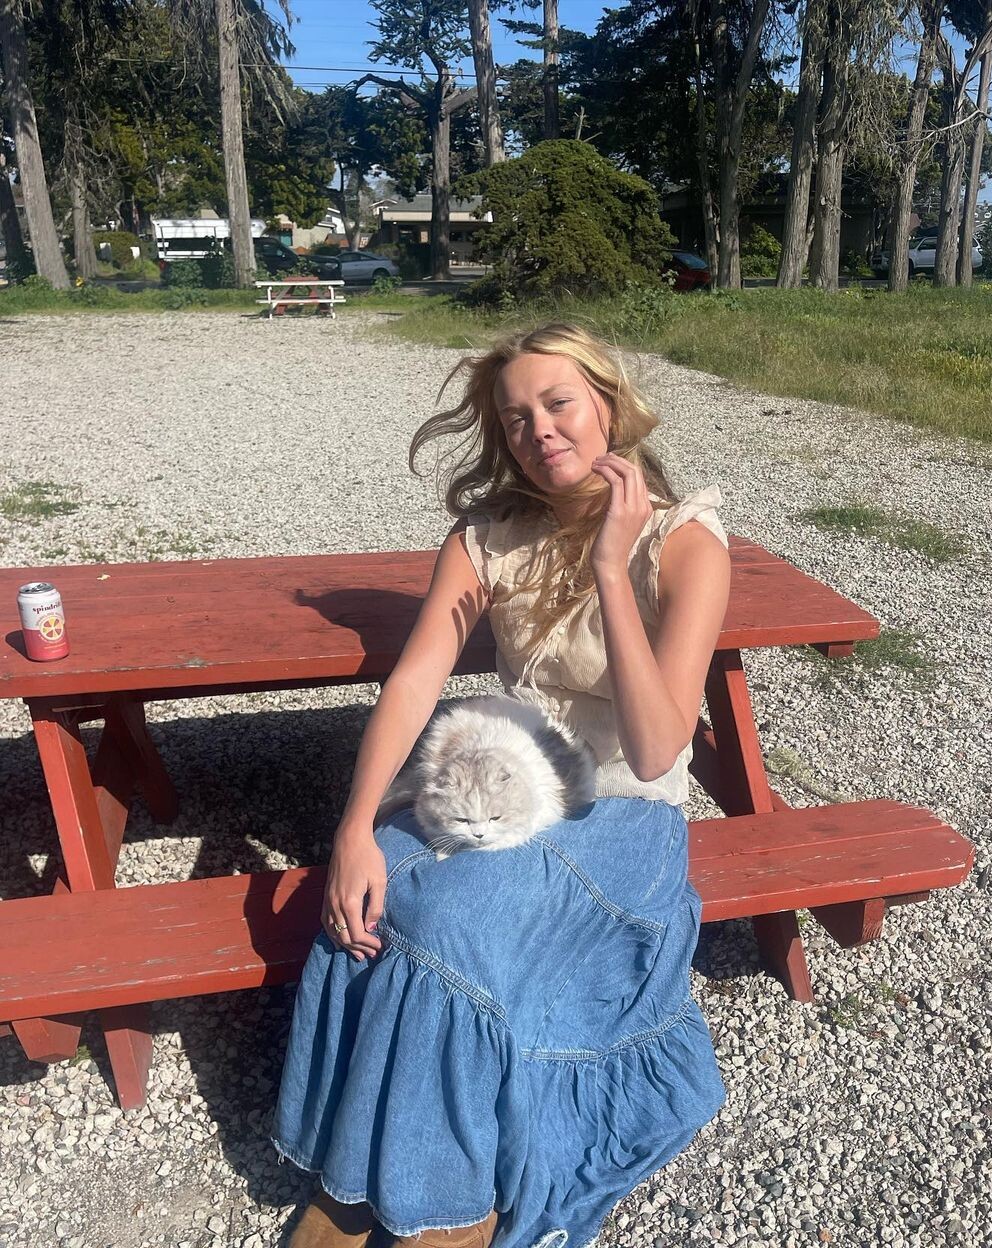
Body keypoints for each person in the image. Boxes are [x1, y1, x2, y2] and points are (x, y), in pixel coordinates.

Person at [272, 322, 732, 1248]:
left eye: (559, 404)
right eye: (515, 417)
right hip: (511, 772)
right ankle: (365, 1164)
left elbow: (655, 749)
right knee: (380, 892)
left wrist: (610, 567)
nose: (539, 430)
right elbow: (416, 679)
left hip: (623, 812)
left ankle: (450, 1199)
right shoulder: (487, 537)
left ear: (608, 405)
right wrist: (353, 829)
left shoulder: (685, 543)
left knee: (452, 924)